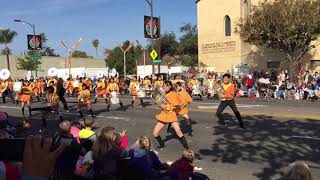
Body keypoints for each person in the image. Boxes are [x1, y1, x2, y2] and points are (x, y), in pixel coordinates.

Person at [153, 81, 189, 149]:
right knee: (155, 133)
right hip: (164, 114)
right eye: (163, 86)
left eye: (166, 86)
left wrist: (179, 105)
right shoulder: (161, 94)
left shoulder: (174, 94)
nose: (164, 87)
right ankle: (162, 144)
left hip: (171, 114)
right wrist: (161, 105)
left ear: (170, 87)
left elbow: (182, 102)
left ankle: (187, 149)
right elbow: (159, 103)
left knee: (178, 131)